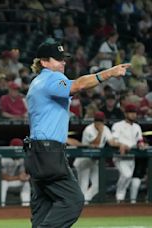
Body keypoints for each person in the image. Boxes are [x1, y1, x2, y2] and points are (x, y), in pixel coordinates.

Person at [25, 39, 131, 227]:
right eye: (58, 59)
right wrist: (110, 73)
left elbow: (73, 90)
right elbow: (79, 84)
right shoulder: (51, 78)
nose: (63, 62)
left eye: (63, 59)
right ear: (44, 62)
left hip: (36, 153)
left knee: (44, 206)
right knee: (73, 200)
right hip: (48, 152)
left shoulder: (37, 82)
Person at [73, 111, 120, 204]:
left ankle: (84, 201)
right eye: (97, 120)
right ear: (94, 121)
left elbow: (111, 142)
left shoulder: (106, 129)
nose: (99, 123)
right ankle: (81, 205)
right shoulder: (88, 129)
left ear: (104, 121)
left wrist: (120, 144)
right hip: (84, 160)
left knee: (98, 184)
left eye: (101, 121)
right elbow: (95, 144)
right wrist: (100, 133)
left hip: (94, 161)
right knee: (83, 185)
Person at [111, 104, 146, 203]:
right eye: (131, 112)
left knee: (128, 176)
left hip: (132, 157)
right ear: (125, 114)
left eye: (134, 113)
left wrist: (141, 144)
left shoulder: (137, 127)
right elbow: (113, 140)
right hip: (120, 156)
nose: (133, 115)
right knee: (126, 175)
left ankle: (120, 198)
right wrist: (120, 144)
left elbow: (139, 140)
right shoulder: (118, 125)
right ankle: (119, 196)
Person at [0, 138, 30, 207]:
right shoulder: (3, 158)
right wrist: (19, 177)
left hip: (8, 181)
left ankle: (26, 206)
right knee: (3, 183)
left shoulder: (21, 158)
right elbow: (2, 177)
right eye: (15, 147)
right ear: (10, 147)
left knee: (26, 183)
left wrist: (25, 177)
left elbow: (22, 173)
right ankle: (1, 207)